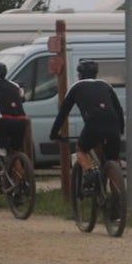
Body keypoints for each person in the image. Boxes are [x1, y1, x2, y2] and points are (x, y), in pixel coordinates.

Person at [49, 58, 124, 188]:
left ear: (80, 75)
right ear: (96, 73)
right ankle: (118, 195)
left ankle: (90, 171)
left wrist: (54, 134)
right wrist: (120, 129)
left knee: (81, 149)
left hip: (93, 124)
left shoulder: (76, 87)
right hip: (113, 124)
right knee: (113, 160)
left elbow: (63, 113)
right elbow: (119, 110)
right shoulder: (106, 85)